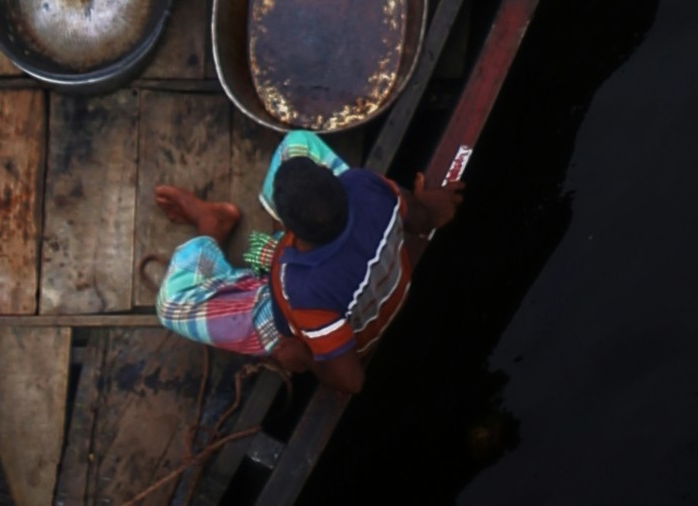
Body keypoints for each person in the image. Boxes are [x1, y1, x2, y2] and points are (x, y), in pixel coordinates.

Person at [150, 134, 463, 398]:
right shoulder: (368, 186)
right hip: (361, 273)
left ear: (290, 231)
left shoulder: (302, 292)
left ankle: (212, 227)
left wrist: (303, 358)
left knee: (173, 305)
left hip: (318, 324)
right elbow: (422, 217)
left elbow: (350, 381)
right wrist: (433, 207)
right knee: (297, 143)